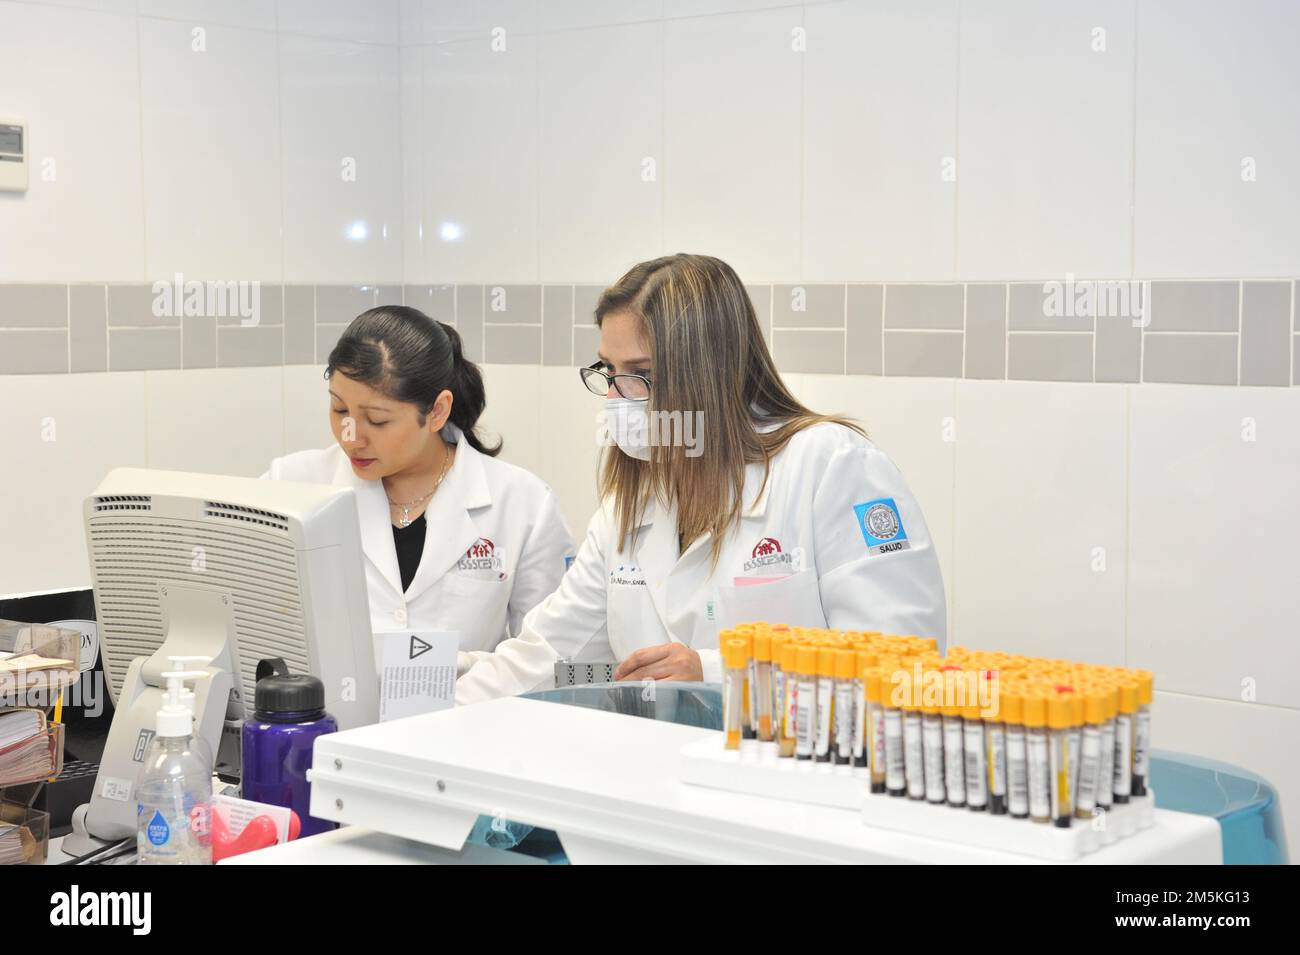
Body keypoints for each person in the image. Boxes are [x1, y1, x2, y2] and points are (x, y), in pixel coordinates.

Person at [456, 254, 946, 704]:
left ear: (706, 371)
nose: (615, 397)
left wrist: (714, 673)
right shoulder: (634, 502)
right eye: (609, 370)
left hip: (803, 779)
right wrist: (432, 702)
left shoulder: (829, 465)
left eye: (639, 373)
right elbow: (549, 658)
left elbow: (900, 660)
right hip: (666, 775)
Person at [261, 305, 574, 677]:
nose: (352, 437)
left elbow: (552, 653)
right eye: (339, 409)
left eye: (377, 420)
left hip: (464, 721)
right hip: (328, 725)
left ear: (438, 411)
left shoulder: (522, 503)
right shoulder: (290, 485)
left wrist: (460, 667)